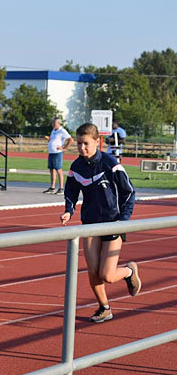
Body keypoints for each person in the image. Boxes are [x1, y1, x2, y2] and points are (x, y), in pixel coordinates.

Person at [60, 122, 140, 323]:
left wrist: (123, 221)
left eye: (86, 143)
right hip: (90, 223)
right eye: (78, 144)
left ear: (97, 141)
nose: (82, 148)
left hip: (112, 222)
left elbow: (129, 192)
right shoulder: (76, 166)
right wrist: (69, 211)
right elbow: (71, 191)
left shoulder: (109, 163)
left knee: (108, 275)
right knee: (93, 270)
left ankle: (130, 271)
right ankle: (104, 307)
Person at [43, 117, 73, 195]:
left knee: (58, 169)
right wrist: (49, 139)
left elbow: (70, 139)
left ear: (58, 123)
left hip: (57, 152)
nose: (53, 124)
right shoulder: (53, 131)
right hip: (51, 152)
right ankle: (52, 187)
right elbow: (53, 140)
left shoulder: (62, 131)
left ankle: (61, 188)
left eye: (54, 123)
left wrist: (64, 148)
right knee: (51, 169)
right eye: (52, 123)